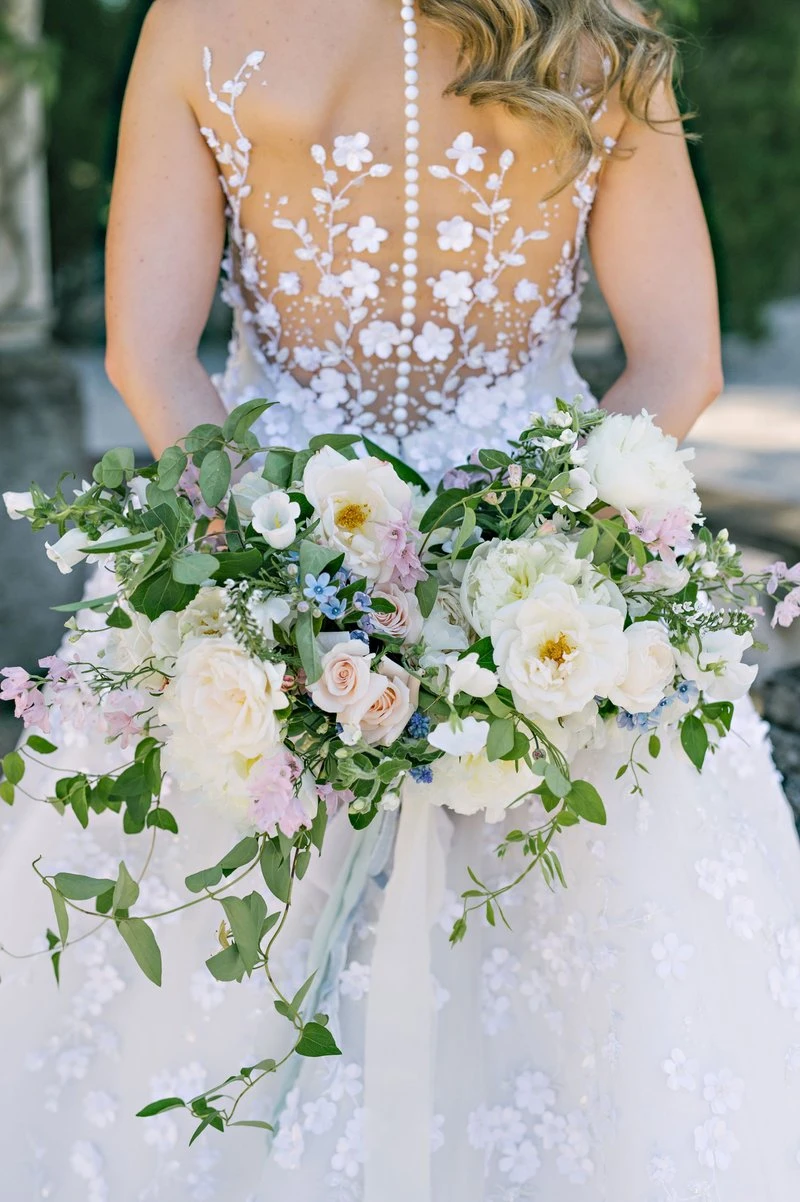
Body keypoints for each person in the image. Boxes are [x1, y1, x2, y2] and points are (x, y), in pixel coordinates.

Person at [1, 1, 798, 1199]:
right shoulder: (595, 30)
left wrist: (288, 593)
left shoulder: (202, 21)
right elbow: (680, 363)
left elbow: (147, 356)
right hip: (551, 613)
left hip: (262, 588)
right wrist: (541, 578)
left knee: (194, 1008)